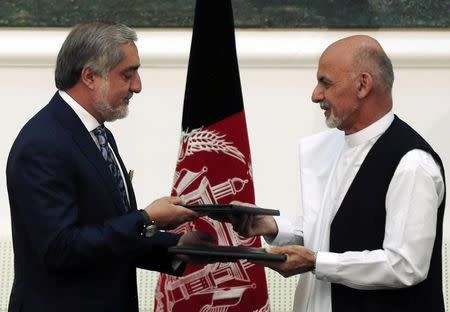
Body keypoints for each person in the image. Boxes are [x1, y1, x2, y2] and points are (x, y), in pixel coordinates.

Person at [225, 35, 446, 311]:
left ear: (363, 85)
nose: (316, 95)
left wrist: (316, 262)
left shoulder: (412, 163)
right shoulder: (334, 146)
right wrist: (271, 226)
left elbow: (405, 264)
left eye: (325, 83)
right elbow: (340, 227)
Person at [6, 21, 213, 312]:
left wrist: (179, 246)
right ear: (90, 76)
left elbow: (109, 238)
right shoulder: (43, 144)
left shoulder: (99, 136)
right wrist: (145, 218)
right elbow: (61, 249)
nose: (138, 86)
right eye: (127, 74)